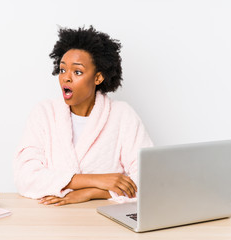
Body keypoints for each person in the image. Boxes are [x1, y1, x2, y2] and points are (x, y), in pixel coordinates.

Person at [14, 26, 153, 206]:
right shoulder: (44, 113)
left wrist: (92, 193)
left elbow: (148, 177)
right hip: (51, 215)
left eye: (77, 72)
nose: (66, 78)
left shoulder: (122, 115)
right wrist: (95, 180)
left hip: (105, 217)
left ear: (98, 78)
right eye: (63, 70)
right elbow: (25, 176)